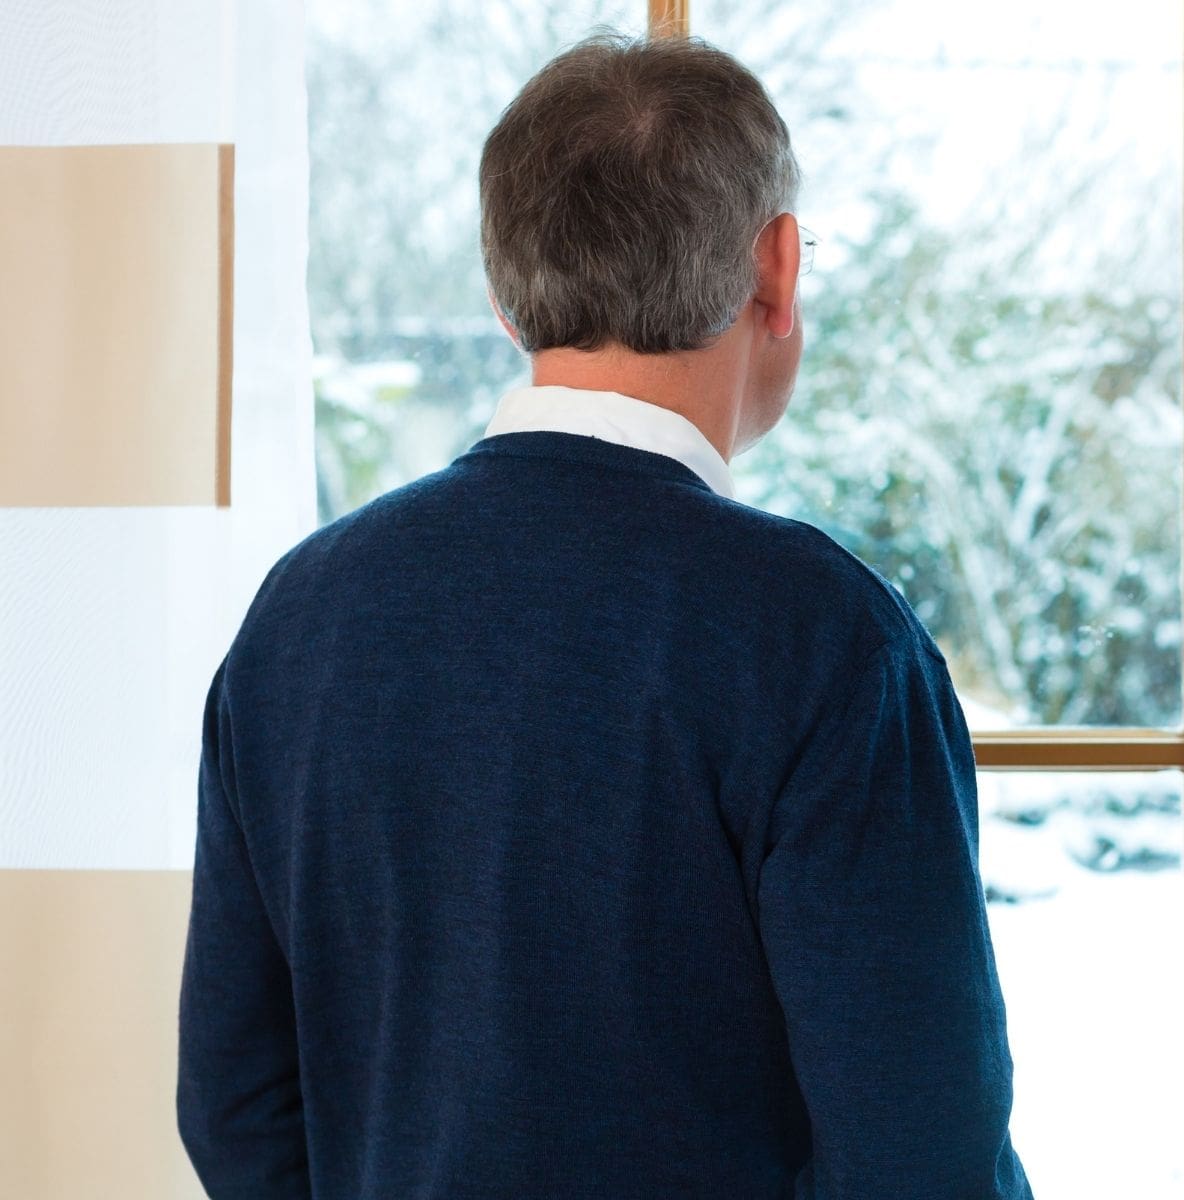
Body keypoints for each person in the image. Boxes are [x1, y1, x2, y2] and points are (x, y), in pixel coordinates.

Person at [176, 32, 1032, 1199]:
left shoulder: (301, 615)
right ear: (776, 269)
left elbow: (234, 1107)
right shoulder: (823, 639)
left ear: (503, 294)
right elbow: (921, 1152)